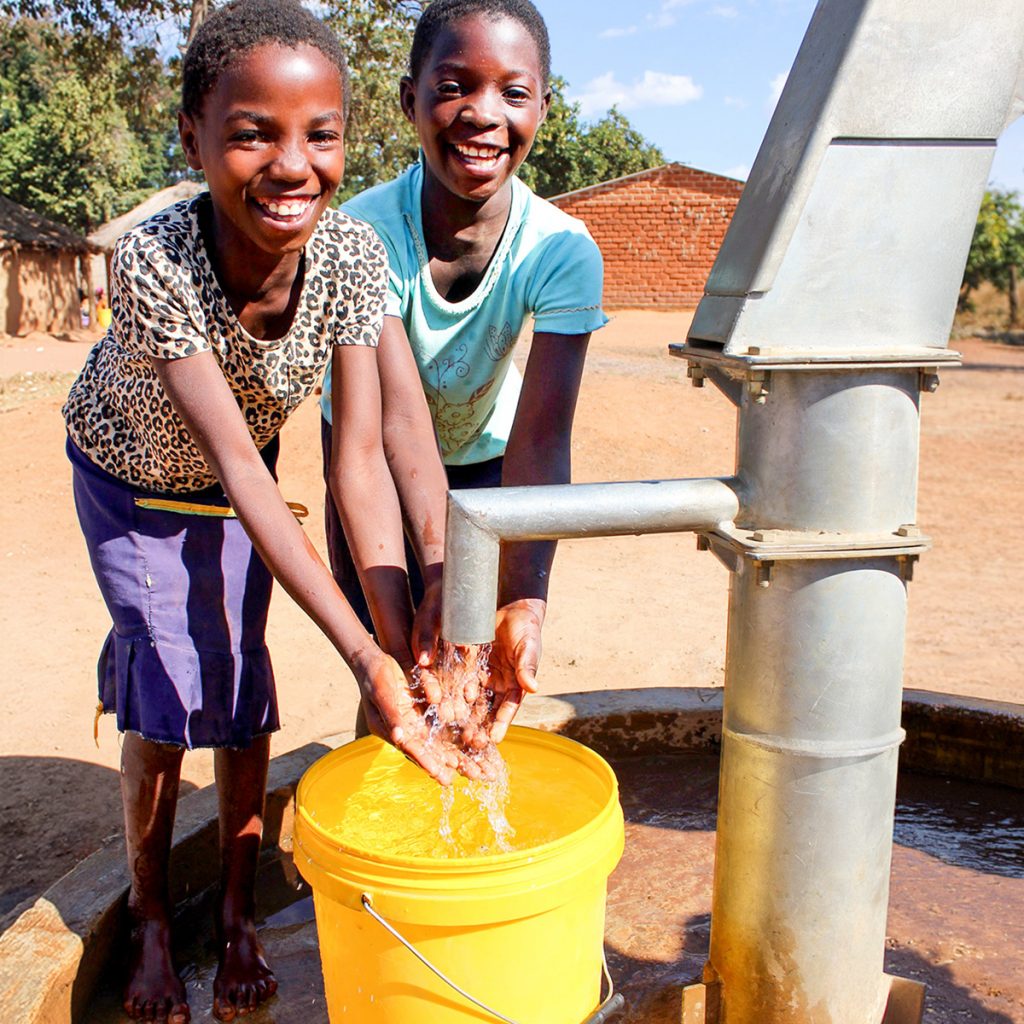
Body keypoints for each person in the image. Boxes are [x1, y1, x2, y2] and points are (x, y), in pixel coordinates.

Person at [62, 1, 455, 1020]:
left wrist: (402, 621)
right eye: (251, 133)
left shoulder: (353, 259)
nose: (292, 165)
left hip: (234, 477)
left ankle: (235, 909)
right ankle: (151, 914)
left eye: (318, 134)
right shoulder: (152, 262)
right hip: (134, 475)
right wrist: (367, 664)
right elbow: (237, 466)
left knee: (239, 676)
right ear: (192, 136)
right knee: (170, 691)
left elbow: (361, 458)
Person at [321, 0, 607, 741]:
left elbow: (543, 437)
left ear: (544, 105)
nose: (483, 115)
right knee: (397, 670)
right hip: (368, 464)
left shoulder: (560, 251)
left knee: (477, 668)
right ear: (409, 97)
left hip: (488, 466)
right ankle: (384, 834)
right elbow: (394, 420)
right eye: (453, 87)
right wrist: (444, 573)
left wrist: (524, 601)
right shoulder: (360, 233)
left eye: (514, 92)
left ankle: (465, 843)